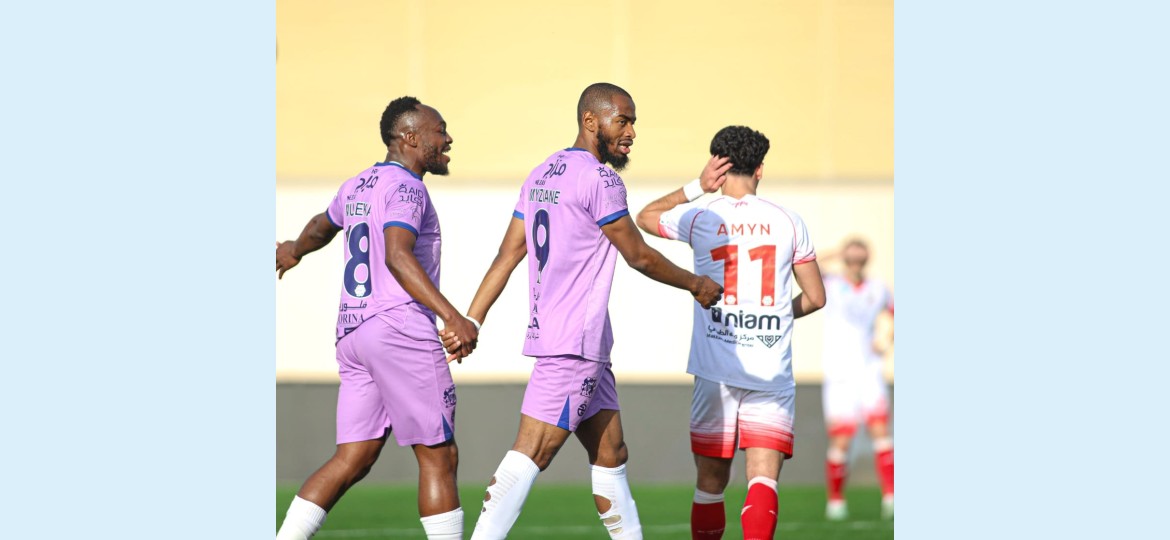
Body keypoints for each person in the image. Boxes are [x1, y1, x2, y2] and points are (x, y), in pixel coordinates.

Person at [441, 82, 723, 540]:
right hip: (575, 343)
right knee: (531, 452)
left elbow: (507, 254)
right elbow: (639, 255)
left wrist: (473, 319)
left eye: (633, 123)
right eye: (622, 121)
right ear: (591, 121)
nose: (631, 132)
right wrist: (696, 284)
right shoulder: (601, 179)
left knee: (611, 454)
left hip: (576, 341)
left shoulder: (542, 173)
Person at [274, 96, 479, 540]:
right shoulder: (407, 187)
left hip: (353, 333)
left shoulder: (358, 184)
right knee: (439, 456)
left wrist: (293, 249)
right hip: (398, 330)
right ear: (410, 137)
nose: (448, 139)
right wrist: (452, 317)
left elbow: (322, 226)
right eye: (440, 131)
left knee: (354, 458)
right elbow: (397, 255)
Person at [636, 126, 826, 539]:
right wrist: (776, 316)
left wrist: (697, 186)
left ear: (718, 168)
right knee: (763, 480)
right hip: (770, 368)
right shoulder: (789, 221)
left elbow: (645, 217)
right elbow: (815, 297)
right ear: (760, 169)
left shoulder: (702, 217)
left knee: (710, 484)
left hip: (715, 368)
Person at [818, 238, 895, 520]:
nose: (855, 263)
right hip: (839, 373)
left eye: (860, 258)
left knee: (881, 432)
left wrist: (886, 342)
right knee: (841, 439)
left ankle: (891, 497)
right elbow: (808, 265)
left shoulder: (878, 288)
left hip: (869, 371)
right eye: (851, 258)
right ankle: (835, 501)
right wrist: (837, 251)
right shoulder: (831, 284)